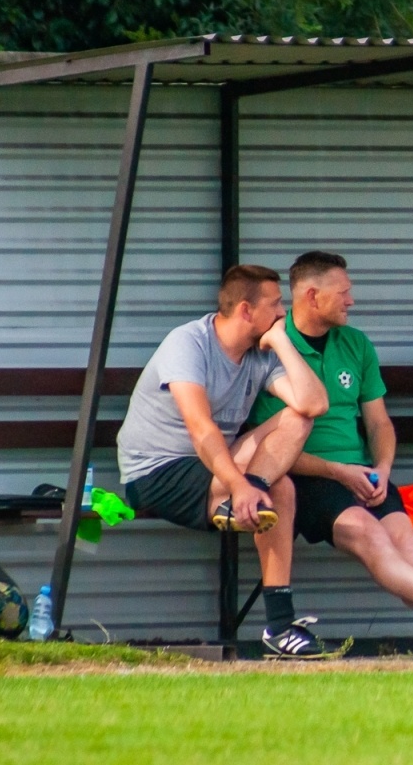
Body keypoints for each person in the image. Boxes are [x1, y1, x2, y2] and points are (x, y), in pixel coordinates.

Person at [249, 252, 413, 654]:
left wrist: (382, 469)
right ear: (313, 296)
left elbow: (379, 424)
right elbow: (271, 448)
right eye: (344, 292)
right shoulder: (274, 350)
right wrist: (340, 472)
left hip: (361, 474)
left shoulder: (356, 343)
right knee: (371, 534)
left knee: (404, 537)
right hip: (307, 478)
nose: (351, 300)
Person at [116, 264, 332, 657]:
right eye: (276, 304)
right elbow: (201, 429)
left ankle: (280, 627)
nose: (284, 313)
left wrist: (283, 344)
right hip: (158, 471)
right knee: (271, 487)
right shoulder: (188, 343)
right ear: (247, 310)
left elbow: (314, 403)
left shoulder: (260, 353)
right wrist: (237, 484)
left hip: (217, 470)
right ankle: (247, 498)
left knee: (292, 438)